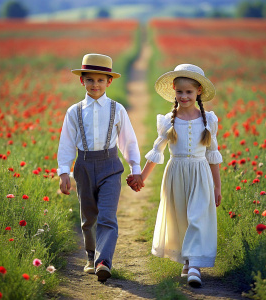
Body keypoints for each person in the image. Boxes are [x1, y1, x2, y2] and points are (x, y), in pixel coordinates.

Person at [127, 64, 222, 287]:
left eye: (189, 92)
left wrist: (217, 187)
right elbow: (156, 152)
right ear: (173, 90)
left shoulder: (208, 120)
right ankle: (187, 261)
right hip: (176, 175)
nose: (184, 96)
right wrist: (142, 177)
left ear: (198, 91)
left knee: (198, 217)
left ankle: (195, 266)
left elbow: (213, 155)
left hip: (200, 175)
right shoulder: (168, 120)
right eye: (179, 92)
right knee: (180, 218)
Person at [57, 53, 144, 283]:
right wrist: (63, 171)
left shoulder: (118, 109)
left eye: (100, 80)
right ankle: (90, 256)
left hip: (110, 167)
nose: (95, 85)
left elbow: (128, 141)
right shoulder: (74, 111)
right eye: (90, 80)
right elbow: (66, 143)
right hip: (83, 165)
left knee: (107, 215)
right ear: (82, 81)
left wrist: (135, 167)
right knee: (88, 216)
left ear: (109, 82)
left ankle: (103, 261)